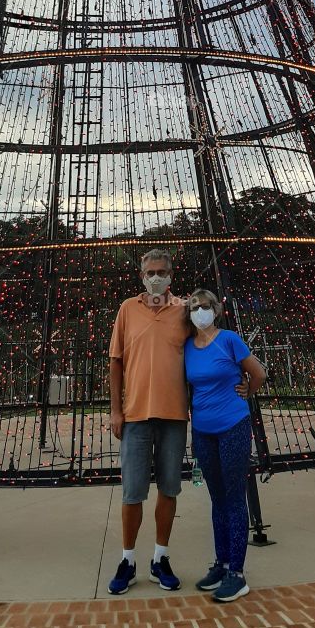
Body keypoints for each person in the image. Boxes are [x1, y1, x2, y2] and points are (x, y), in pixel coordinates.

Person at [107, 248, 188, 595]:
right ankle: (127, 560)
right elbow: (116, 361)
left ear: (171, 275)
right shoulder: (128, 308)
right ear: (141, 276)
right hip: (136, 415)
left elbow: (204, 349)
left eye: (161, 272)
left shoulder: (185, 310)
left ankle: (160, 557)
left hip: (174, 415)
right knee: (132, 493)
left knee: (169, 489)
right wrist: (116, 410)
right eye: (150, 272)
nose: (155, 277)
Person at [184, 288, 267, 603]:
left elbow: (258, 373)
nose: (199, 311)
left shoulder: (229, 340)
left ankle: (237, 573)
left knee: (234, 498)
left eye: (205, 306)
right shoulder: (188, 347)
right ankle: (221, 563)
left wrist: (247, 390)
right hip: (203, 431)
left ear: (216, 310)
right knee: (217, 498)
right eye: (194, 307)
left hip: (232, 426)